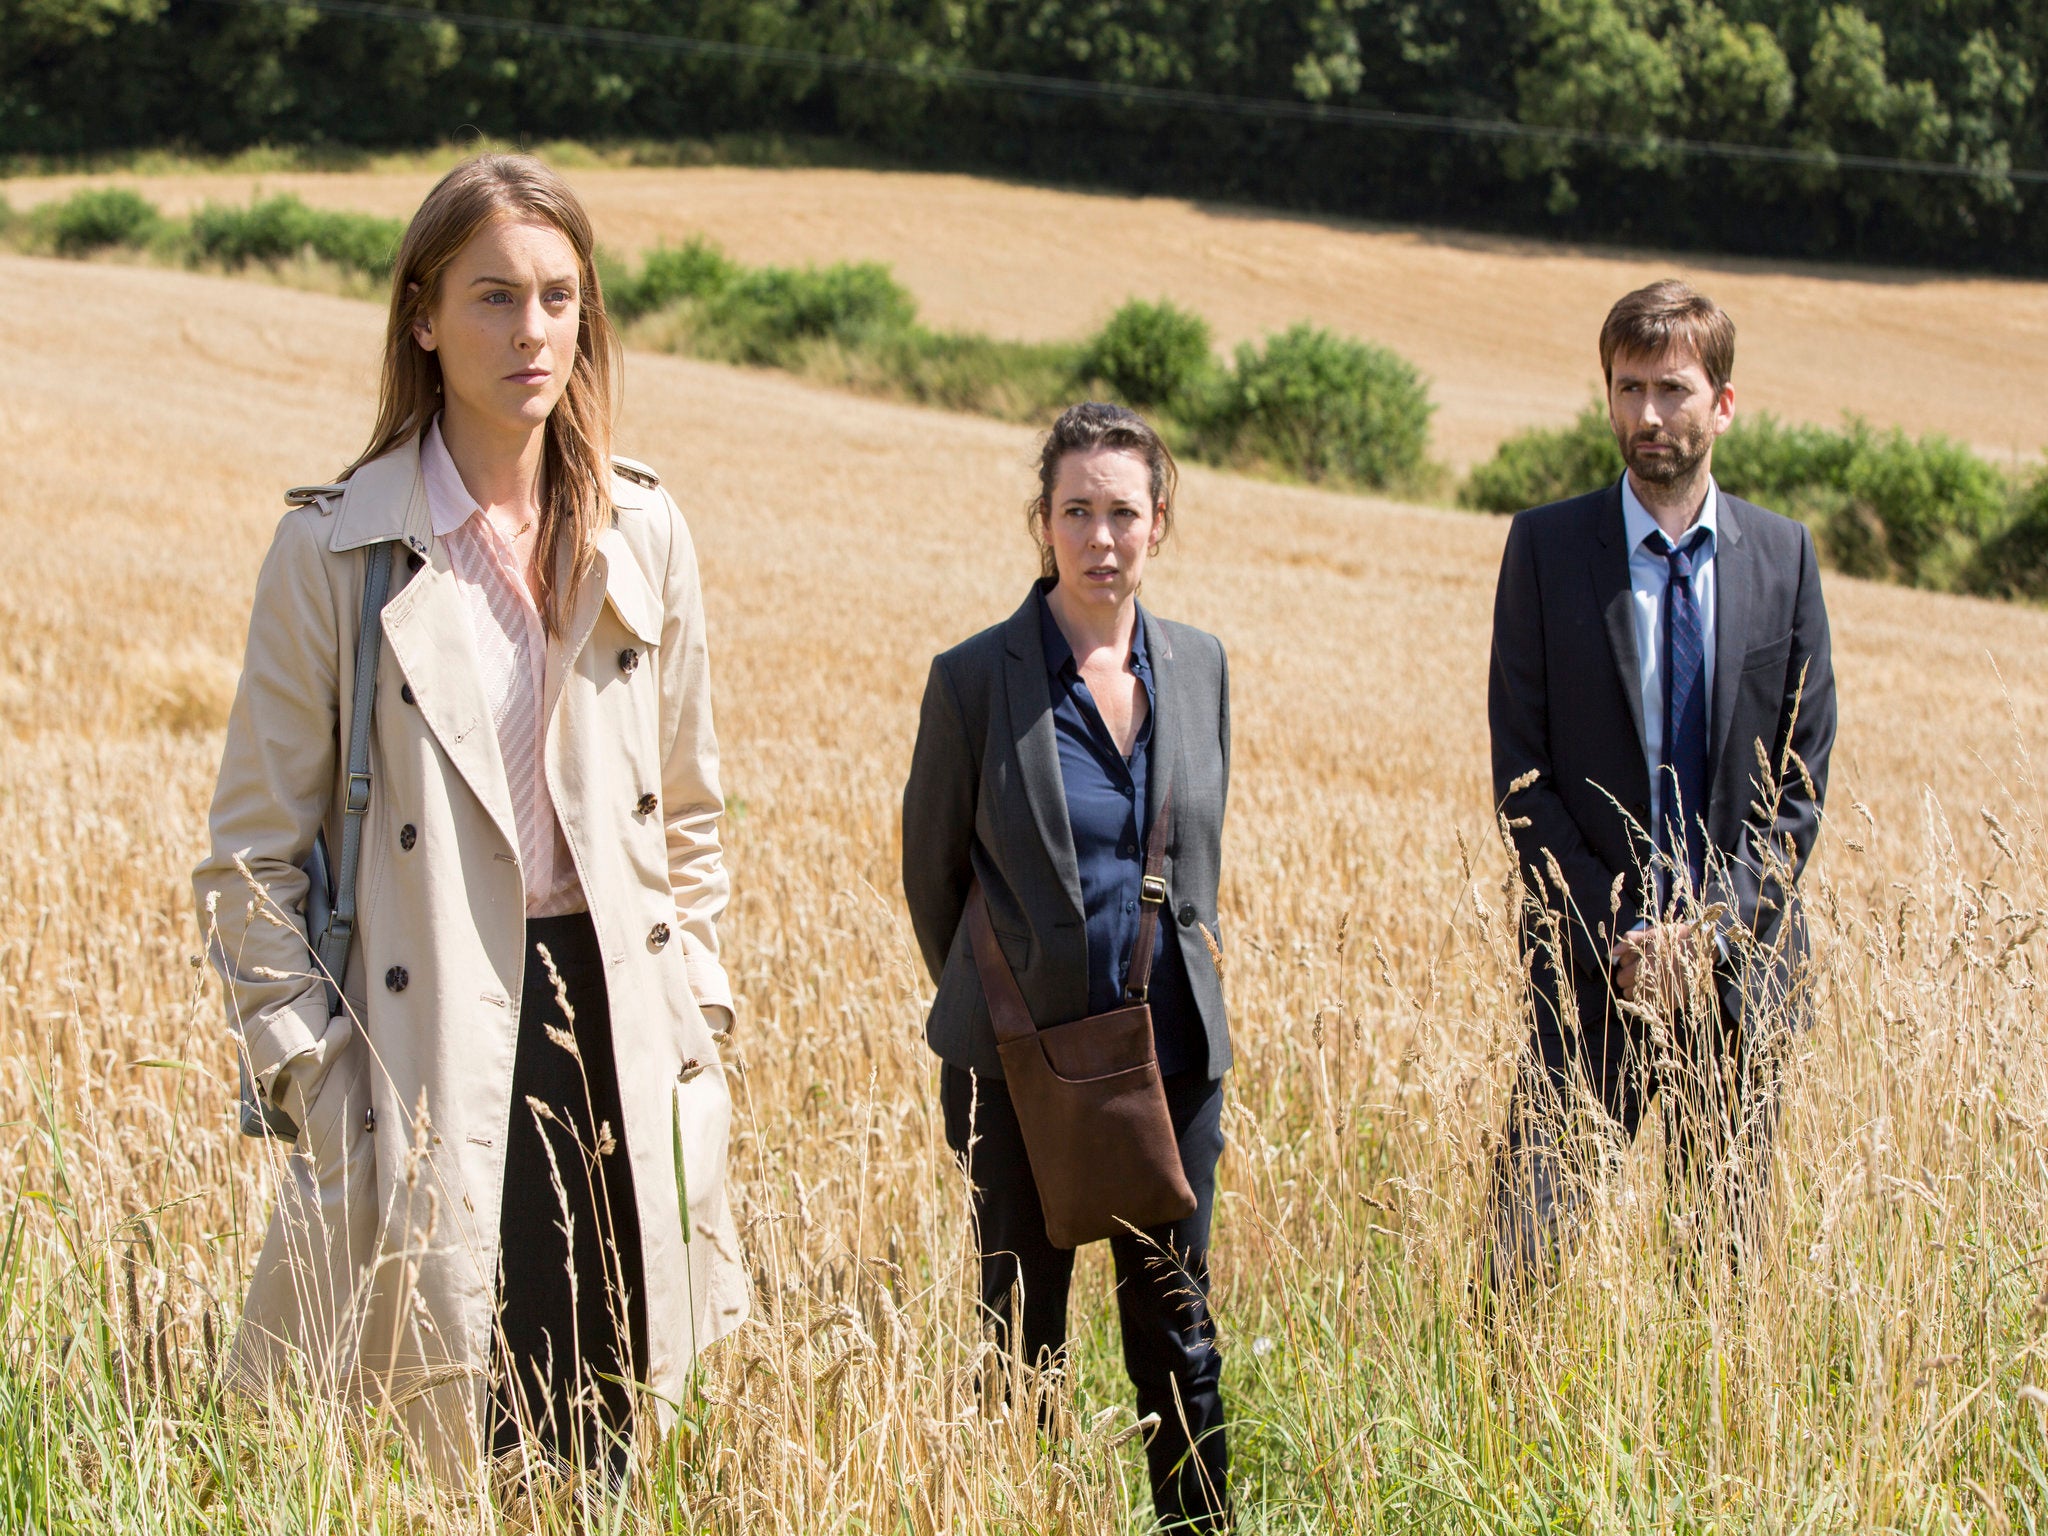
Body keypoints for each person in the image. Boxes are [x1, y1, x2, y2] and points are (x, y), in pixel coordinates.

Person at [193, 154, 747, 1479]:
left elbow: (690, 815)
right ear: (424, 317)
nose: (534, 330)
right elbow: (248, 863)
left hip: (614, 1027)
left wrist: (699, 1016)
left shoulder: (643, 531)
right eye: (495, 297)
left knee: (613, 1443)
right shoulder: (335, 553)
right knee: (451, 1439)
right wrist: (323, 1083)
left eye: (560, 296)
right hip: (427, 1039)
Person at [902, 402, 1233, 1530]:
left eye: (1123, 513)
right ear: (1039, 523)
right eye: (1076, 511)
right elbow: (932, 879)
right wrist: (1021, 998)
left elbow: (1197, 862)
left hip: (1169, 1059)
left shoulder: (1199, 669)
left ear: (1159, 525)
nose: (1101, 537)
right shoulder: (971, 680)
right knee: (1018, 1342)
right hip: (1016, 1063)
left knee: (1176, 1331)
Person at [1487, 279, 1836, 1282]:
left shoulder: (1782, 557)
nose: (1647, 415)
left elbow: (1795, 791)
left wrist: (1707, 930)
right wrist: (1620, 929)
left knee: (1716, 1281)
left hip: (1738, 982)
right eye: (1627, 387)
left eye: (1672, 389)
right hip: (1587, 971)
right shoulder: (1547, 550)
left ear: (1721, 404)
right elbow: (1520, 777)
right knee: (1520, 1268)